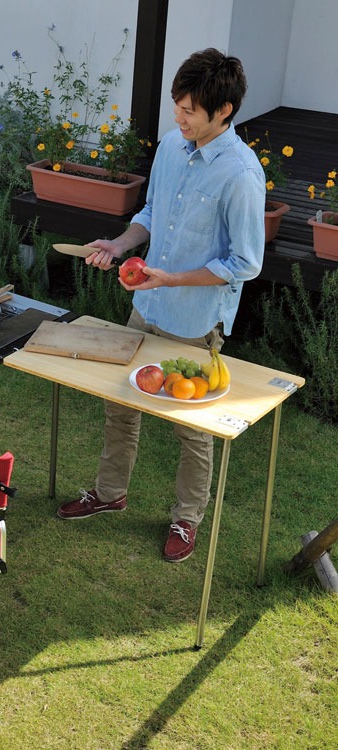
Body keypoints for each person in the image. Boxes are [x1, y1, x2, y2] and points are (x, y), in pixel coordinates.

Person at [56, 49, 265, 563]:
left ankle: (186, 519)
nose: (178, 117)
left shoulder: (241, 175)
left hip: (195, 320)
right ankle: (109, 494)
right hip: (147, 305)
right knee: (120, 404)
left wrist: (173, 279)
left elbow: (245, 262)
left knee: (191, 428)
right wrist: (119, 245)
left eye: (189, 110)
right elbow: (152, 211)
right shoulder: (172, 146)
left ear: (224, 110)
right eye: (177, 106)